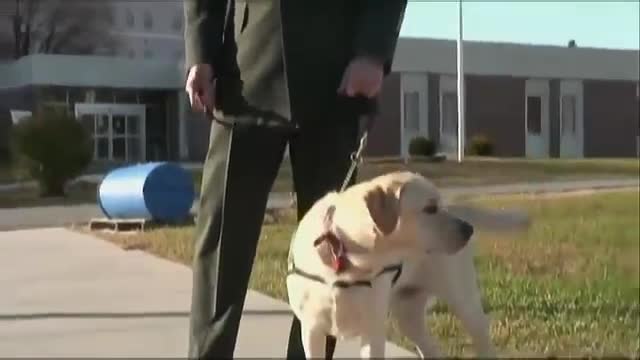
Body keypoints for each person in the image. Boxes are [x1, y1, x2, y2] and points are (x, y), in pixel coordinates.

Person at [183, 0, 407, 358]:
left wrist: (373, 51)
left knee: (333, 247)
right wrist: (201, 53)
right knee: (222, 238)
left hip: (336, 78)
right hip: (246, 74)